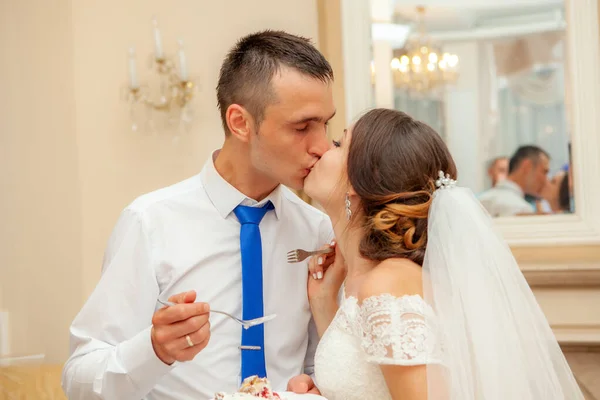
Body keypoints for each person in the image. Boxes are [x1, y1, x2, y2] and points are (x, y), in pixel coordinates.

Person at [62, 30, 336, 400]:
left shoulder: (318, 229)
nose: (321, 146)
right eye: (302, 127)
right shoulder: (149, 222)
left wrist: (314, 383)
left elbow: (320, 367)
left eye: (326, 124)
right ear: (240, 122)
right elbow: (78, 379)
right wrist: (154, 350)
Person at [301, 109, 584, 400]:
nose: (322, 149)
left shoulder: (388, 283)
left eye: (338, 144)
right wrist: (323, 303)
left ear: (358, 182)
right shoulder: (359, 279)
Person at [479, 145, 550, 217]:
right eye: (544, 172)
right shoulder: (522, 209)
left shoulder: (480, 200)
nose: (546, 180)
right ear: (527, 166)